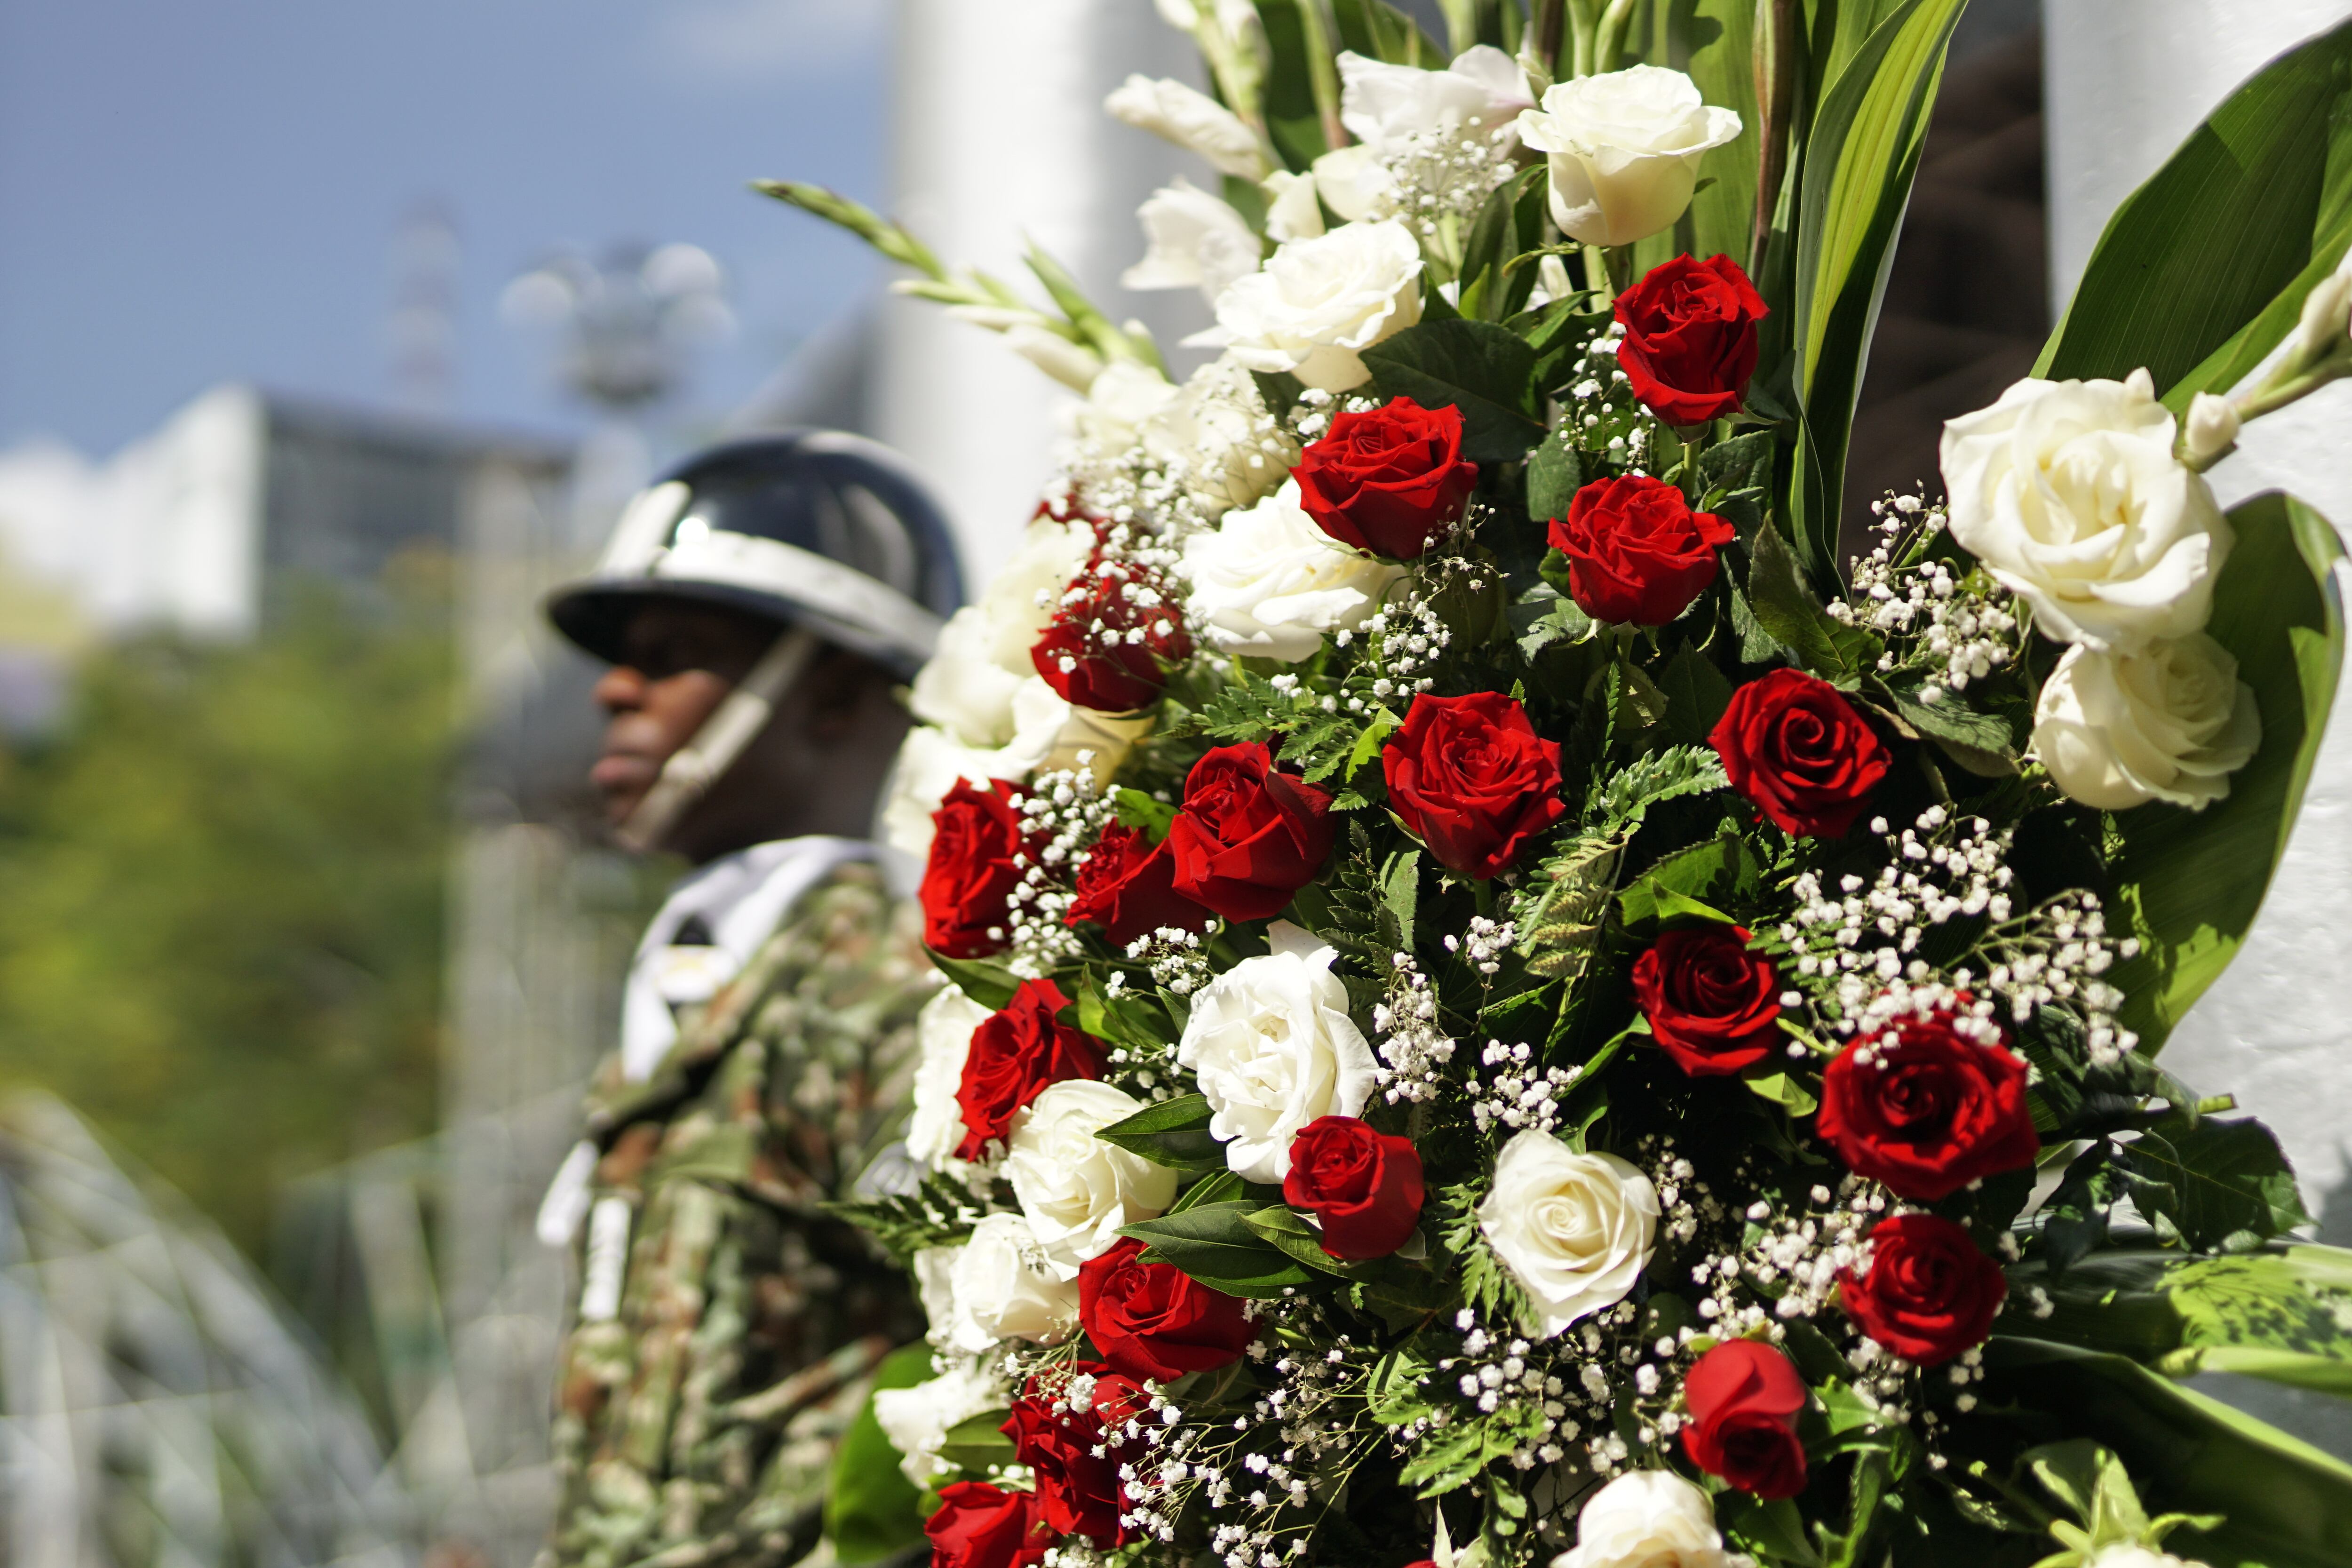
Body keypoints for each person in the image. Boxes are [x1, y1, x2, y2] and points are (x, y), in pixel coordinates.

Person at [531, 432, 961, 1568]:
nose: (615, 688)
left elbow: (988, 1361)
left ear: (828, 691)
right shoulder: (703, 972)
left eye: (676, 653)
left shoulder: (882, 986)